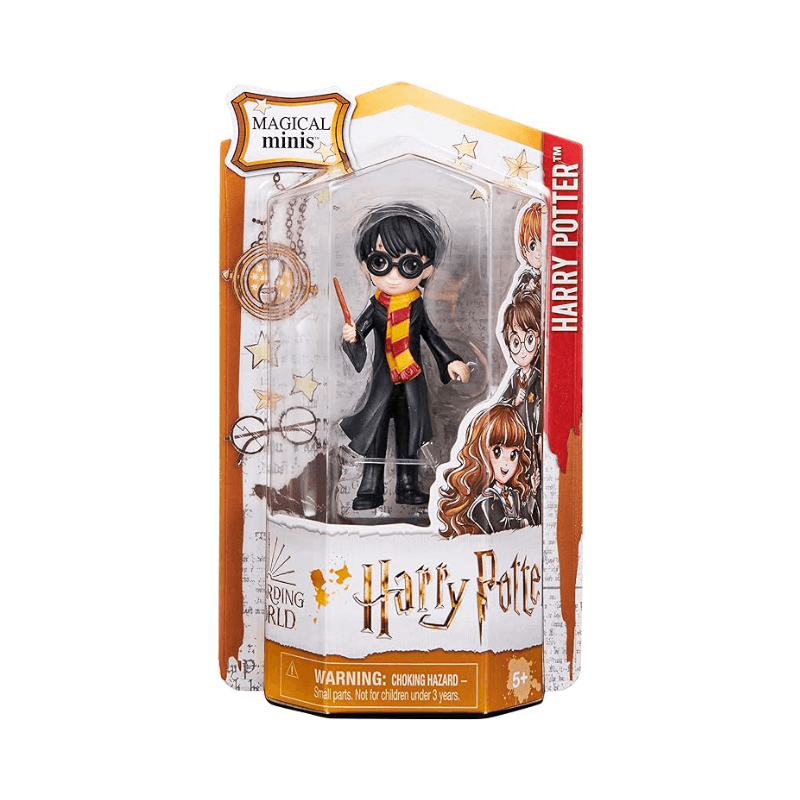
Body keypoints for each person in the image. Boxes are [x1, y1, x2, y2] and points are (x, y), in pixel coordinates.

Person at [341, 204, 470, 510]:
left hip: (411, 382)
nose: (393, 276)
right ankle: (369, 488)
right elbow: (358, 333)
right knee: (375, 433)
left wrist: (450, 360)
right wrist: (351, 336)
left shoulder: (416, 307)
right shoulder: (375, 306)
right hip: (382, 383)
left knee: (408, 434)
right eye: (381, 262)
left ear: (427, 270)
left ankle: (408, 487)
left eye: (408, 265)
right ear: (366, 267)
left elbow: (432, 336)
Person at [438, 404, 533, 537]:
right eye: (497, 452)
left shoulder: (513, 495)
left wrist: (533, 493)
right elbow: (500, 528)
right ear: (481, 453)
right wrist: (523, 523)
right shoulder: (484, 501)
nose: (506, 462)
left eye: (513, 454)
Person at [500, 288, 543, 524]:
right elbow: (502, 405)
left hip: (533, 441)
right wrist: (514, 402)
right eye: (516, 342)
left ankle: (534, 518)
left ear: (538, 338)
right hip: (516, 442)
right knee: (519, 482)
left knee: (534, 481)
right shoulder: (515, 379)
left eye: (529, 340)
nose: (523, 350)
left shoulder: (538, 378)